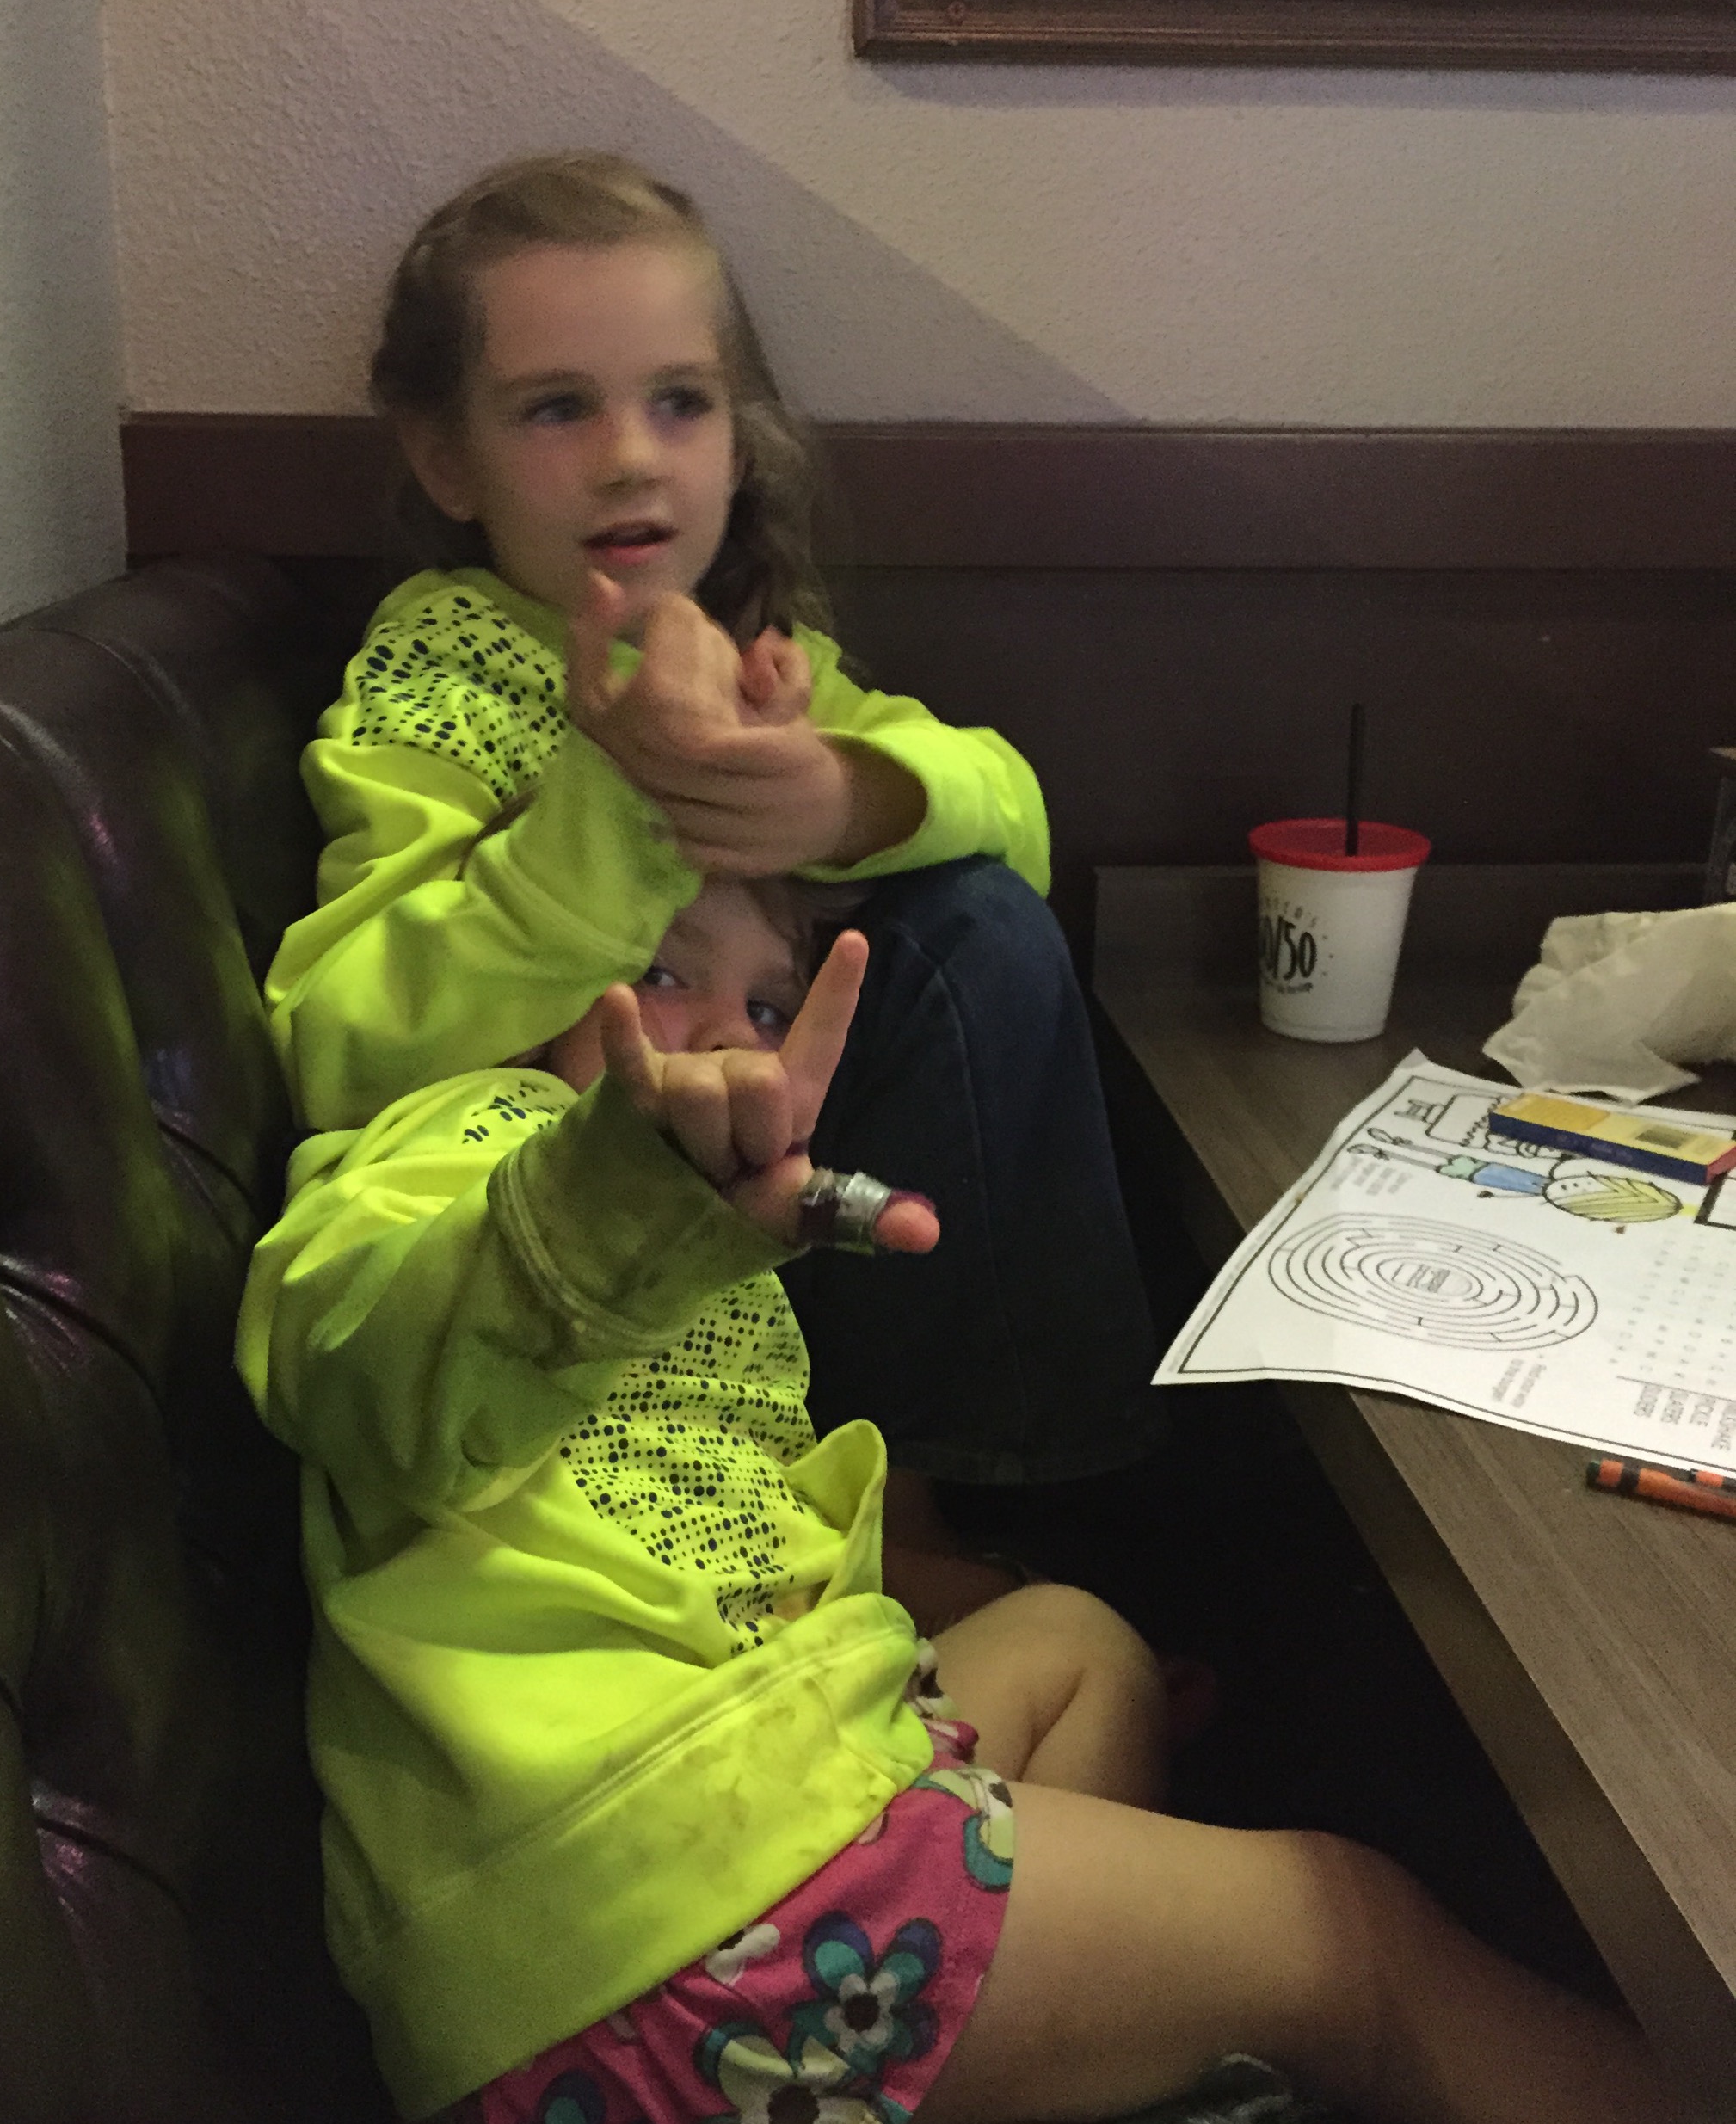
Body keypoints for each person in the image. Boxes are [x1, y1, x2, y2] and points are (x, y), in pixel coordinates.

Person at [237, 876, 1736, 2124]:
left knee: (1077, 1643)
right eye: (669, 973)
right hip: (653, 1948)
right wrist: (598, 1189)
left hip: (682, 1864)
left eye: (767, 1003)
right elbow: (361, 1376)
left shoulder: (707, 1249)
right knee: (1353, 1939)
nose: (738, 1042)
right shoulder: (448, 1146)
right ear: (520, 974)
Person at [262, 150, 1167, 1622]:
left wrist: (846, 794)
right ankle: (942, 1547)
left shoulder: (756, 653)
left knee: (978, 926)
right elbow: (343, 1043)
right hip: (556, 1240)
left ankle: (992, 1503)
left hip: (806, 1217)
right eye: (556, 408)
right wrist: (618, 807)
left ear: (738, 441)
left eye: (680, 401)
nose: (631, 457)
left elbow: (1014, 812)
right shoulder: (444, 673)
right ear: (445, 459)